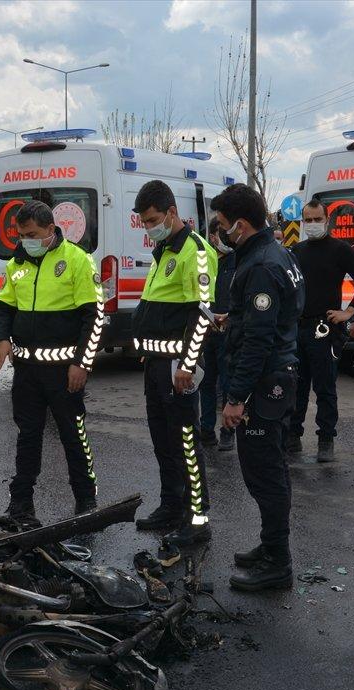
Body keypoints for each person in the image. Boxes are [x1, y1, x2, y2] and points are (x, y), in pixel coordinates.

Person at [209, 184, 303, 591]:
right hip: (274, 375)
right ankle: (269, 546)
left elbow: (260, 342)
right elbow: (270, 319)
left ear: (241, 225)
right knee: (268, 469)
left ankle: (278, 564)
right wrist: (238, 320)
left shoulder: (262, 264)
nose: (220, 233)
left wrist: (235, 398)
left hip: (265, 383)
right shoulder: (273, 254)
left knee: (264, 474)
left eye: (223, 226)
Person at [0, 200, 105, 531]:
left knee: (74, 435)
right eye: (22, 235)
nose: (26, 240)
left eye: (32, 234)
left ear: (51, 230)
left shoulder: (77, 261)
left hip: (63, 371)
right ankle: (21, 504)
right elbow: (3, 306)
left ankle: (86, 501)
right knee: (28, 436)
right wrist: (2, 339)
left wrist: (82, 363)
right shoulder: (18, 263)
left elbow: (94, 316)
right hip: (26, 370)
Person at [130, 180, 218, 546]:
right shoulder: (165, 249)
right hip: (156, 363)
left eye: (152, 220)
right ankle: (171, 505)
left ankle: (197, 518)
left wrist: (187, 364)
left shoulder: (195, 252)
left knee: (185, 442)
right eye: (145, 222)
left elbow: (202, 315)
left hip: (177, 367)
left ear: (171, 212)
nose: (149, 228)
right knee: (163, 441)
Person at [288, 198, 354, 462]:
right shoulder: (296, 251)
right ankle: (293, 436)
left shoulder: (340, 250)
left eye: (317, 219)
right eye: (308, 220)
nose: (313, 224)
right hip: (297, 328)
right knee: (296, 386)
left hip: (324, 329)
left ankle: (326, 438)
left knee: (325, 387)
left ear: (328, 220)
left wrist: (349, 312)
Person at [199, 217, 237, 452]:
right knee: (206, 382)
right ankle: (206, 430)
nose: (222, 238)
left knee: (228, 381)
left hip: (229, 331)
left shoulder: (238, 260)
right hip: (206, 331)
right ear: (212, 237)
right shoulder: (204, 261)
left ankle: (228, 431)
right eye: (219, 233)